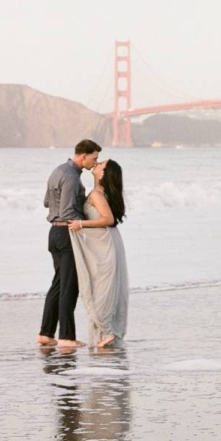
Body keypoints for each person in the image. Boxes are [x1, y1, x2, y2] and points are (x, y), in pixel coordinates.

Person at [38, 139, 102, 348]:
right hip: (66, 234)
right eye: (94, 158)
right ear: (83, 155)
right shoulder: (72, 177)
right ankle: (66, 337)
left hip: (54, 233)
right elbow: (67, 212)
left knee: (58, 284)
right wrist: (85, 219)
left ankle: (46, 334)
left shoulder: (58, 171)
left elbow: (47, 202)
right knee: (69, 286)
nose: (95, 162)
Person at [67, 159, 129, 349]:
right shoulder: (98, 193)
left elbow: (108, 219)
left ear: (103, 173)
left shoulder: (97, 194)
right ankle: (107, 332)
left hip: (106, 244)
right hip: (106, 241)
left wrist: (81, 224)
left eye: (101, 163)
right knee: (103, 285)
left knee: (101, 287)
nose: (97, 163)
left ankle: (107, 331)